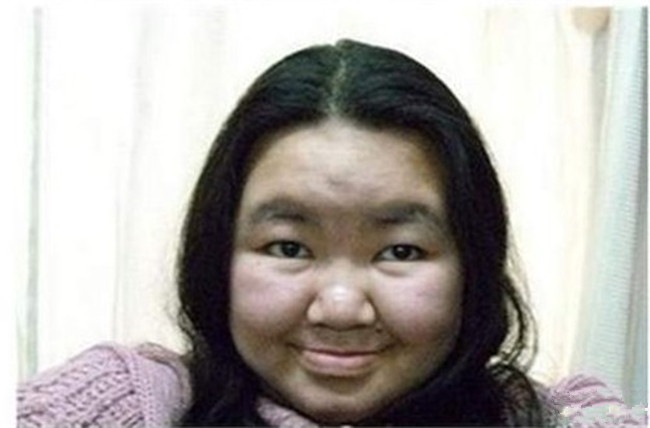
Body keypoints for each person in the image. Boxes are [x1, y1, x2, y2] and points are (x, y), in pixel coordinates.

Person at [17, 39, 644, 427]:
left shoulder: (562, 419)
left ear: (472, 266)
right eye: (289, 247)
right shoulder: (133, 404)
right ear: (218, 256)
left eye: (400, 250)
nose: (340, 308)